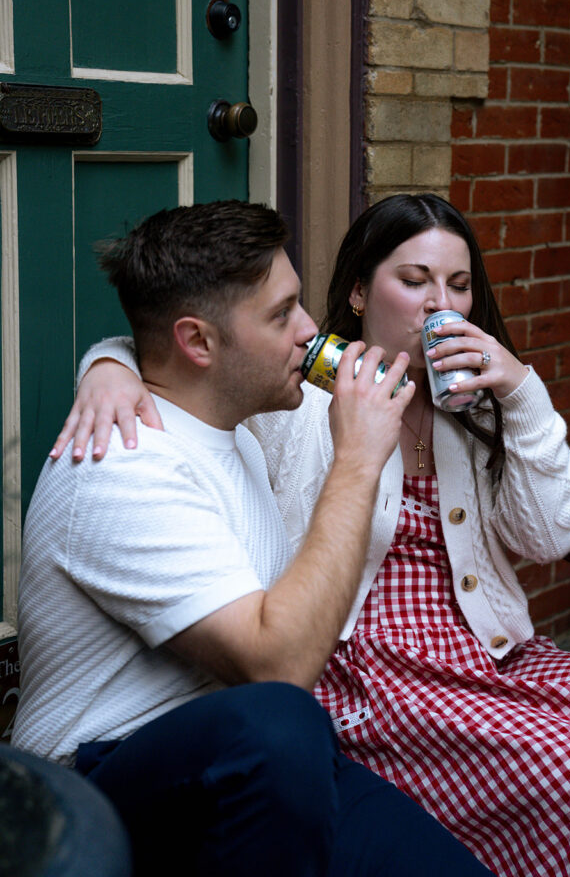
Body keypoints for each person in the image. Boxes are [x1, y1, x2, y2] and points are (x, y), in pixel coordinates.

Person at [55, 194, 570, 877]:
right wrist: (108, 366)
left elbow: (554, 536)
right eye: (413, 281)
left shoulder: (469, 407)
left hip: (479, 653)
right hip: (355, 675)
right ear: (358, 292)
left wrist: (523, 394)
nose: (439, 304)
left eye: (459, 285)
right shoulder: (298, 400)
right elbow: (187, 360)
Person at [12, 200, 491, 877]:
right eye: (280, 315)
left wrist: (108, 358)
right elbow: (278, 668)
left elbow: (146, 349)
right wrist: (358, 458)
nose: (308, 332)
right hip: (94, 786)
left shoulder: (239, 429)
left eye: (299, 305)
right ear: (198, 343)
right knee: (278, 720)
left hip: (259, 766)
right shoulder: (121, 466)